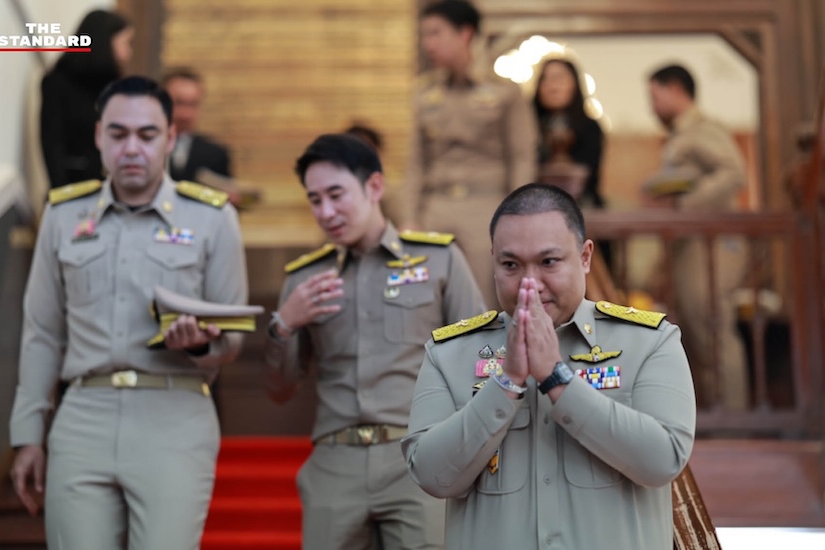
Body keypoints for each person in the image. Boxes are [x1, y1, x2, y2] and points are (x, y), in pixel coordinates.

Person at [9, 76, 248, 550]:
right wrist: (28, 434)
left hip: (174, 414)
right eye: (118, 135)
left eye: (147, 135)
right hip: (83, 415)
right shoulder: (62, 216)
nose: (132, 148)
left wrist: (199, 342)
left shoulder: (213, 217)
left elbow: (234, 335)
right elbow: (42, 332)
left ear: (170, 139)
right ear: (99, 137)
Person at [402, 183, 696, 550]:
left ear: (585, 257)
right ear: (493, 260)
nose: (530, 283)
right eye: (510, 265)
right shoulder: (449, 353)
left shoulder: (650, 342)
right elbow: (431, 476)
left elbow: (663, 460)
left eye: (548, 262)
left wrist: (558, 379)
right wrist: (506, 382)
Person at [264, 133, 485, 550]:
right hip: (335, 462)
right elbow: (280, 389)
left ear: (374, 187)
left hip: (418, 455)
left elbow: (478, 361)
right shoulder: (304, 281)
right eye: (315, 200)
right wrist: (284, 326)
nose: (326, 212)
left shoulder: (439, 260)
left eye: (336, 194)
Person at [405, 0, 536, 309]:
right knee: (425, 307)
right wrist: (410, 218)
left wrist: (519, 218)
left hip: (487, 210)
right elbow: (415, 163)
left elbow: (521, 158)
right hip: (434, 209)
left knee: (484, 307)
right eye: (424, 35)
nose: (428, 45)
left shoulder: (505, 92)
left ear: (465, 34)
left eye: (436, 34)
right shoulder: (424, 94)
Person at [644, 63, 750, 410]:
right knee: (698, 332)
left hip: (715, 243)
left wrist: (685, 203)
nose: (652, 106)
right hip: (693, 245)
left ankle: (734, 425)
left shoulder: (702, 129)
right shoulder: (678, 135)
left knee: (713, 329)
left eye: (654, 95)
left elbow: (734, 171)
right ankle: (714, 414)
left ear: (675, 89)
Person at [40, 9, 133, 188]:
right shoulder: (58, 82)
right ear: (105, 43)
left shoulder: (115, 86)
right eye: (126, 43)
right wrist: (62, 197)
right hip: (76, 189)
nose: (129, 52)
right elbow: (52, 145)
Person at [533, 57, 605, 209]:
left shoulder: (589, 127)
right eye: (545, 79)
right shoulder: (528, 127)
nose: (552, 87)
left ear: (574, 84)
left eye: (558, 78)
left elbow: (591, 176)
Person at [163, 67, 232, 183]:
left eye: (193, 104)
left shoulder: (216, 155)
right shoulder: (143, 148)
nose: (185, 114)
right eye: (179, 103)